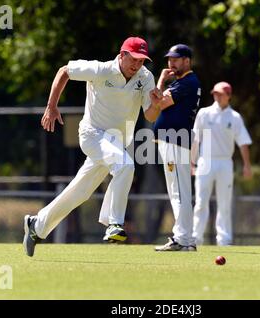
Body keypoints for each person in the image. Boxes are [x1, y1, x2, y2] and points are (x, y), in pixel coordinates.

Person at [23, 36, 164, 257]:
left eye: (142, 60)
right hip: (92, 135)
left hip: (116, 143)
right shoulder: (101, 70)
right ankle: (115, 224)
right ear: (122, 54)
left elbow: (150, 114)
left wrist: (156, 106)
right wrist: (51, 106)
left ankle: (37, 225)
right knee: (126, 166)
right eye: (133, 59)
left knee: (79, 193)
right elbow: (64, 71)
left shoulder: (146, 78)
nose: (137, 65)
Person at [191, 81, 252, 246]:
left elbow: (243, 142)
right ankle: (196, 237)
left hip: (225, 163)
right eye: (215, 94)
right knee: (200, 202)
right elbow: (196, 139)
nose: (217, 96)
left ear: (228, 96)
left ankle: (224, 239)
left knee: (224, 202)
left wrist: (247, 165)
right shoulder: (204, 113)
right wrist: (192, 162)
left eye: (220, 94)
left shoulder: (235, 117)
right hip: (205, 162)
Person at [153, 44, 201, 251]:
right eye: (169, 59)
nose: (171, 63)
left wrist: (162, 80)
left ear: (187, 61)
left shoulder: (187, 81)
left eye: (176, 59)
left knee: (178, 192)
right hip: (173, 140)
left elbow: (159, 103)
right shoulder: (184, 82)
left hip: (175, 140)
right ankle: (187, 239)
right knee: (179, 191)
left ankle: (182, 239)